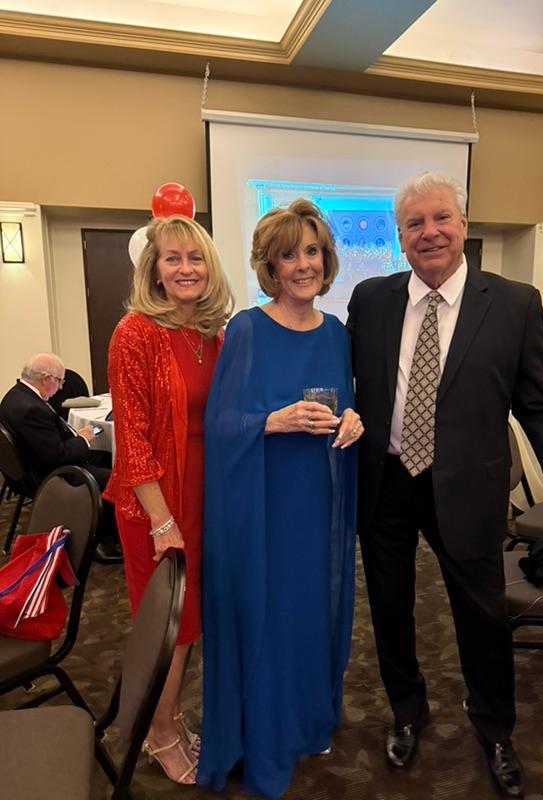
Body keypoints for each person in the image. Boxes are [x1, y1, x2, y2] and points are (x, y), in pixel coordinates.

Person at [347, 171, 543, 799]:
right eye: (414, 223)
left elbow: (542, 408)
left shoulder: (514, 304)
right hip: (385, 484)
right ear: (399, 236)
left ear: (463, 223)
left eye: (441, 218)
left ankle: (494, 729)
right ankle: (407, 712)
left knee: (482, 617)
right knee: (389, 610)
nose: (429, 232)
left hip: (468, 490)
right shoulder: (370, 301)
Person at [197, 199, 363, 799]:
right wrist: (273, 421)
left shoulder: (337, 333)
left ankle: (306, 719)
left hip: (317, 502)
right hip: (264, 505)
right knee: (269, 616)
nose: (303, 265)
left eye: (312, 251)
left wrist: (353, 421)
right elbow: (221, 424)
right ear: (270, 266)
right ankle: (266, 732)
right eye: (289, 255)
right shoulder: (247, 328)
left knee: (310, 612)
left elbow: (343, 406)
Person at [104, 214, 233, 785]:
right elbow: (131, 441)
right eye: (172, 258)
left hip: (205, 499)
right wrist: (161, 521)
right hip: (154, 505)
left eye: (195, 257)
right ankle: (158, 736)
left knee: (191, 624)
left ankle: (172, 719)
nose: (186, 268)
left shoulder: (212, 334)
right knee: (169, 630)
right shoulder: (135, 333)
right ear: (153, 270)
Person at [0, 353, 121, 563]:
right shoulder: (32, 409)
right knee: (114, 477)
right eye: (60, 381)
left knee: (103, 456)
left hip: (32, 465)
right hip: (49, 474)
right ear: (46, 378)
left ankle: (106, 524)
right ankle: (101, 539)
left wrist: (79, 440)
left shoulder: (15, 395)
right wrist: (82, 439)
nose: (61, 387)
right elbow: (57, 456)